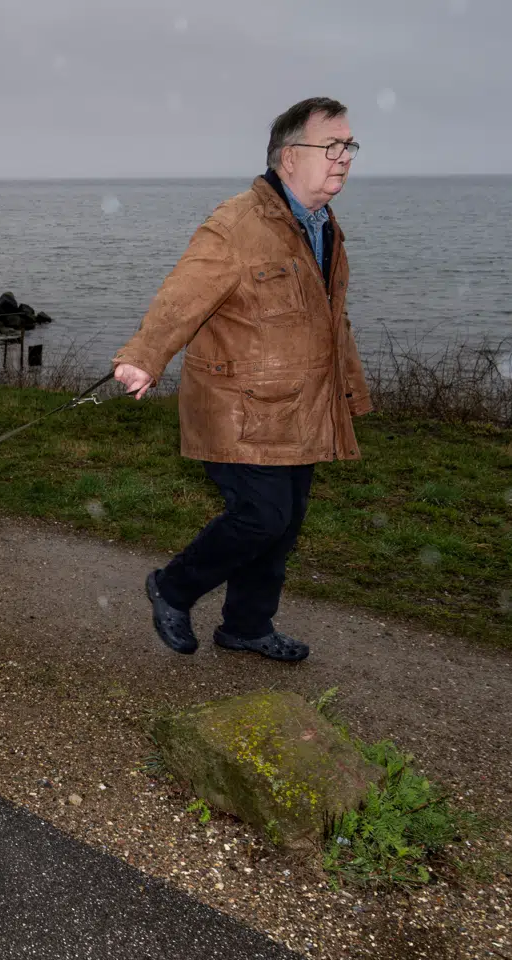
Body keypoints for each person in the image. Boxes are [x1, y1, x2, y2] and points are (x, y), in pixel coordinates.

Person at [110, 96, 373, 663]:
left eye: (349, 146)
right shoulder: (237, 225)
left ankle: (247, 626)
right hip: (238, 407)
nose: (344, 157)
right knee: (262, 517)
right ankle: (173, 587)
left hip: (299, 408)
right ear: (287, 156)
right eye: (331, 146)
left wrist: (347, 391)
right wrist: (144, 356)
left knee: (284, 526)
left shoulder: (322, 227)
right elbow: (182, 295)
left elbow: (330, 322)